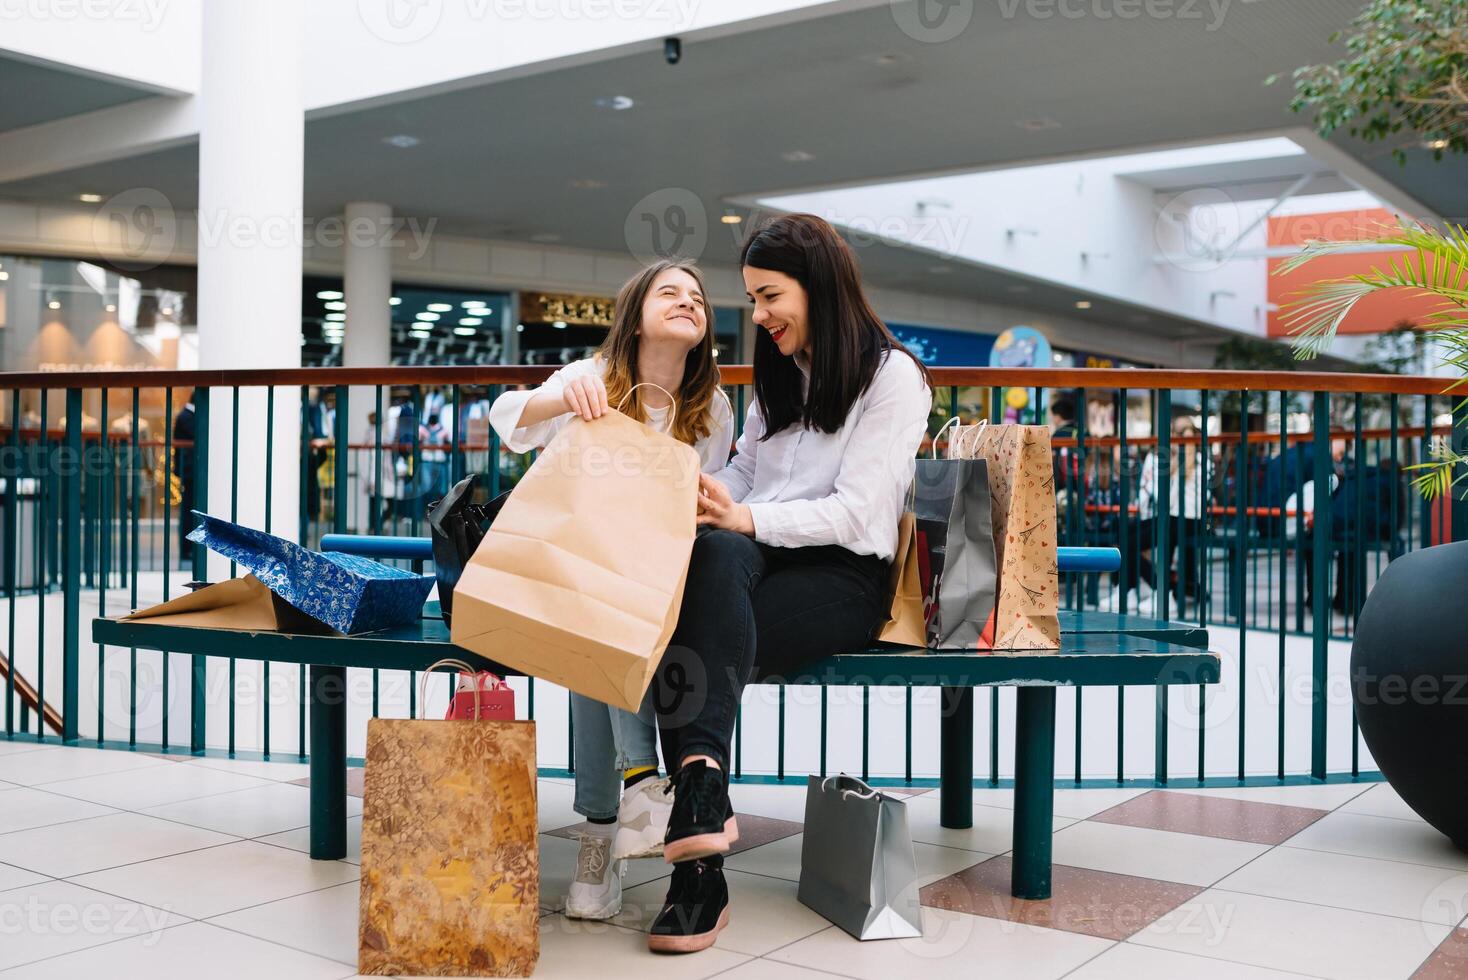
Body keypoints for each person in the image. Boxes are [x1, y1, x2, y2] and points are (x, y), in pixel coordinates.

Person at [645, 214, 932, 953]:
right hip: (754, 558)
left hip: (844, 576)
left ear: (820, 287)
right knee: (707, 564)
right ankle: (703, 792)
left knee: (683, 631)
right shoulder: (779, 373)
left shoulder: (893, 377)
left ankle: (697, 877)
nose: (761, 316)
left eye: (771, 296)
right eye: (753, 300)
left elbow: (859, 515)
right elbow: (748, 472)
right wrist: (708, 491)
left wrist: (743, 518)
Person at [488, 259, 735, 922]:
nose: (688, 302)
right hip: (576, 576)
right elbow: (506, 417)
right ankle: (636, 786)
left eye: (697, 298)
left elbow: (709, 500)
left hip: (666, 583)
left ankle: (606, 829)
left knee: (605, 634)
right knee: (597, 624)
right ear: (636, 312)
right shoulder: (594, 377)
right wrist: (563, 400)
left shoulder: (712, 407)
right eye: (670, 292)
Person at [1134, 416, 1206, 614]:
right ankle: (1164, 592)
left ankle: (1163, 593)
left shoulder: (1182, 460)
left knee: (1141, 543)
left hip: (1179, 518)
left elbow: (1171, 499)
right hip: (1191, 520)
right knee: (1145, 539)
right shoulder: (1198, 460)